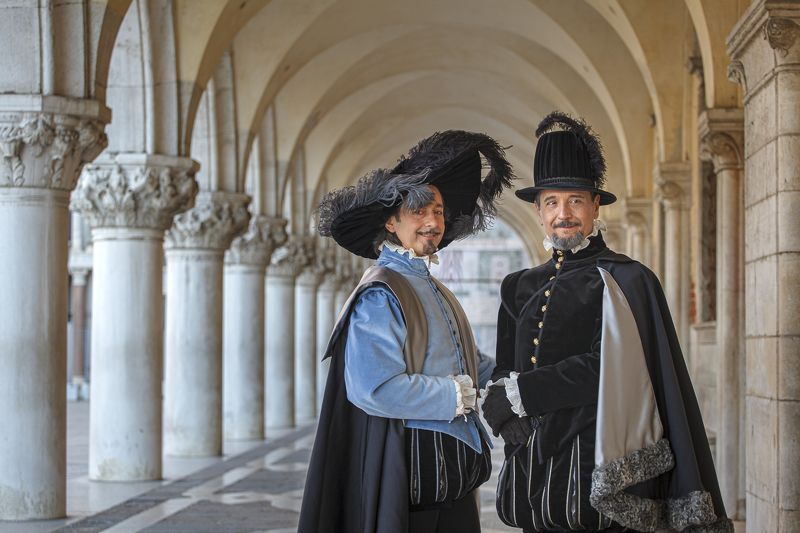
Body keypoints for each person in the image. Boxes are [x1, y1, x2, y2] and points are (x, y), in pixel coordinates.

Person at [481, 111, 733, 532]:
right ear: (540, 211)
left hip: (599, 466)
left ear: (596, 205)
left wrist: (521, 393)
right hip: (533, 470)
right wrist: (508, 416)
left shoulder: (627, 278)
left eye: (575, 200)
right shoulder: (517, 286)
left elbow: (609, 366)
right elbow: (508, 366)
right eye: (552, 202)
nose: (564, 213)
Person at [298, 131, 515, 533]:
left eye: (438, 210)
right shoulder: (381, 292)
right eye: (418, 211)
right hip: (416, 486)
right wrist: (453, 395)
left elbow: (463, 361)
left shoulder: (431, 285)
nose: (433, 222)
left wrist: (510, 378)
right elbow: (373, 388)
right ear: (391, 221)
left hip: (453, 488)